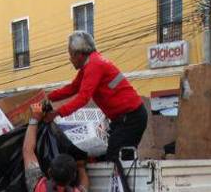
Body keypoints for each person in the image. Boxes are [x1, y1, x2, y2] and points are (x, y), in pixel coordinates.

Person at [41, 32, 146, 160]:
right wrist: (48, 97)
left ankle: (122, 180)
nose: (70, 59)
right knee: (108, 156)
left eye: (71, 55)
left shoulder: (94, 66)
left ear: (79, 54)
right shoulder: (90, 64)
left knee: (116, 159)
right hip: (125, 118)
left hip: (131, 118)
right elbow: (73, 88)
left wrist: (57, 113)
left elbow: (83, 98)